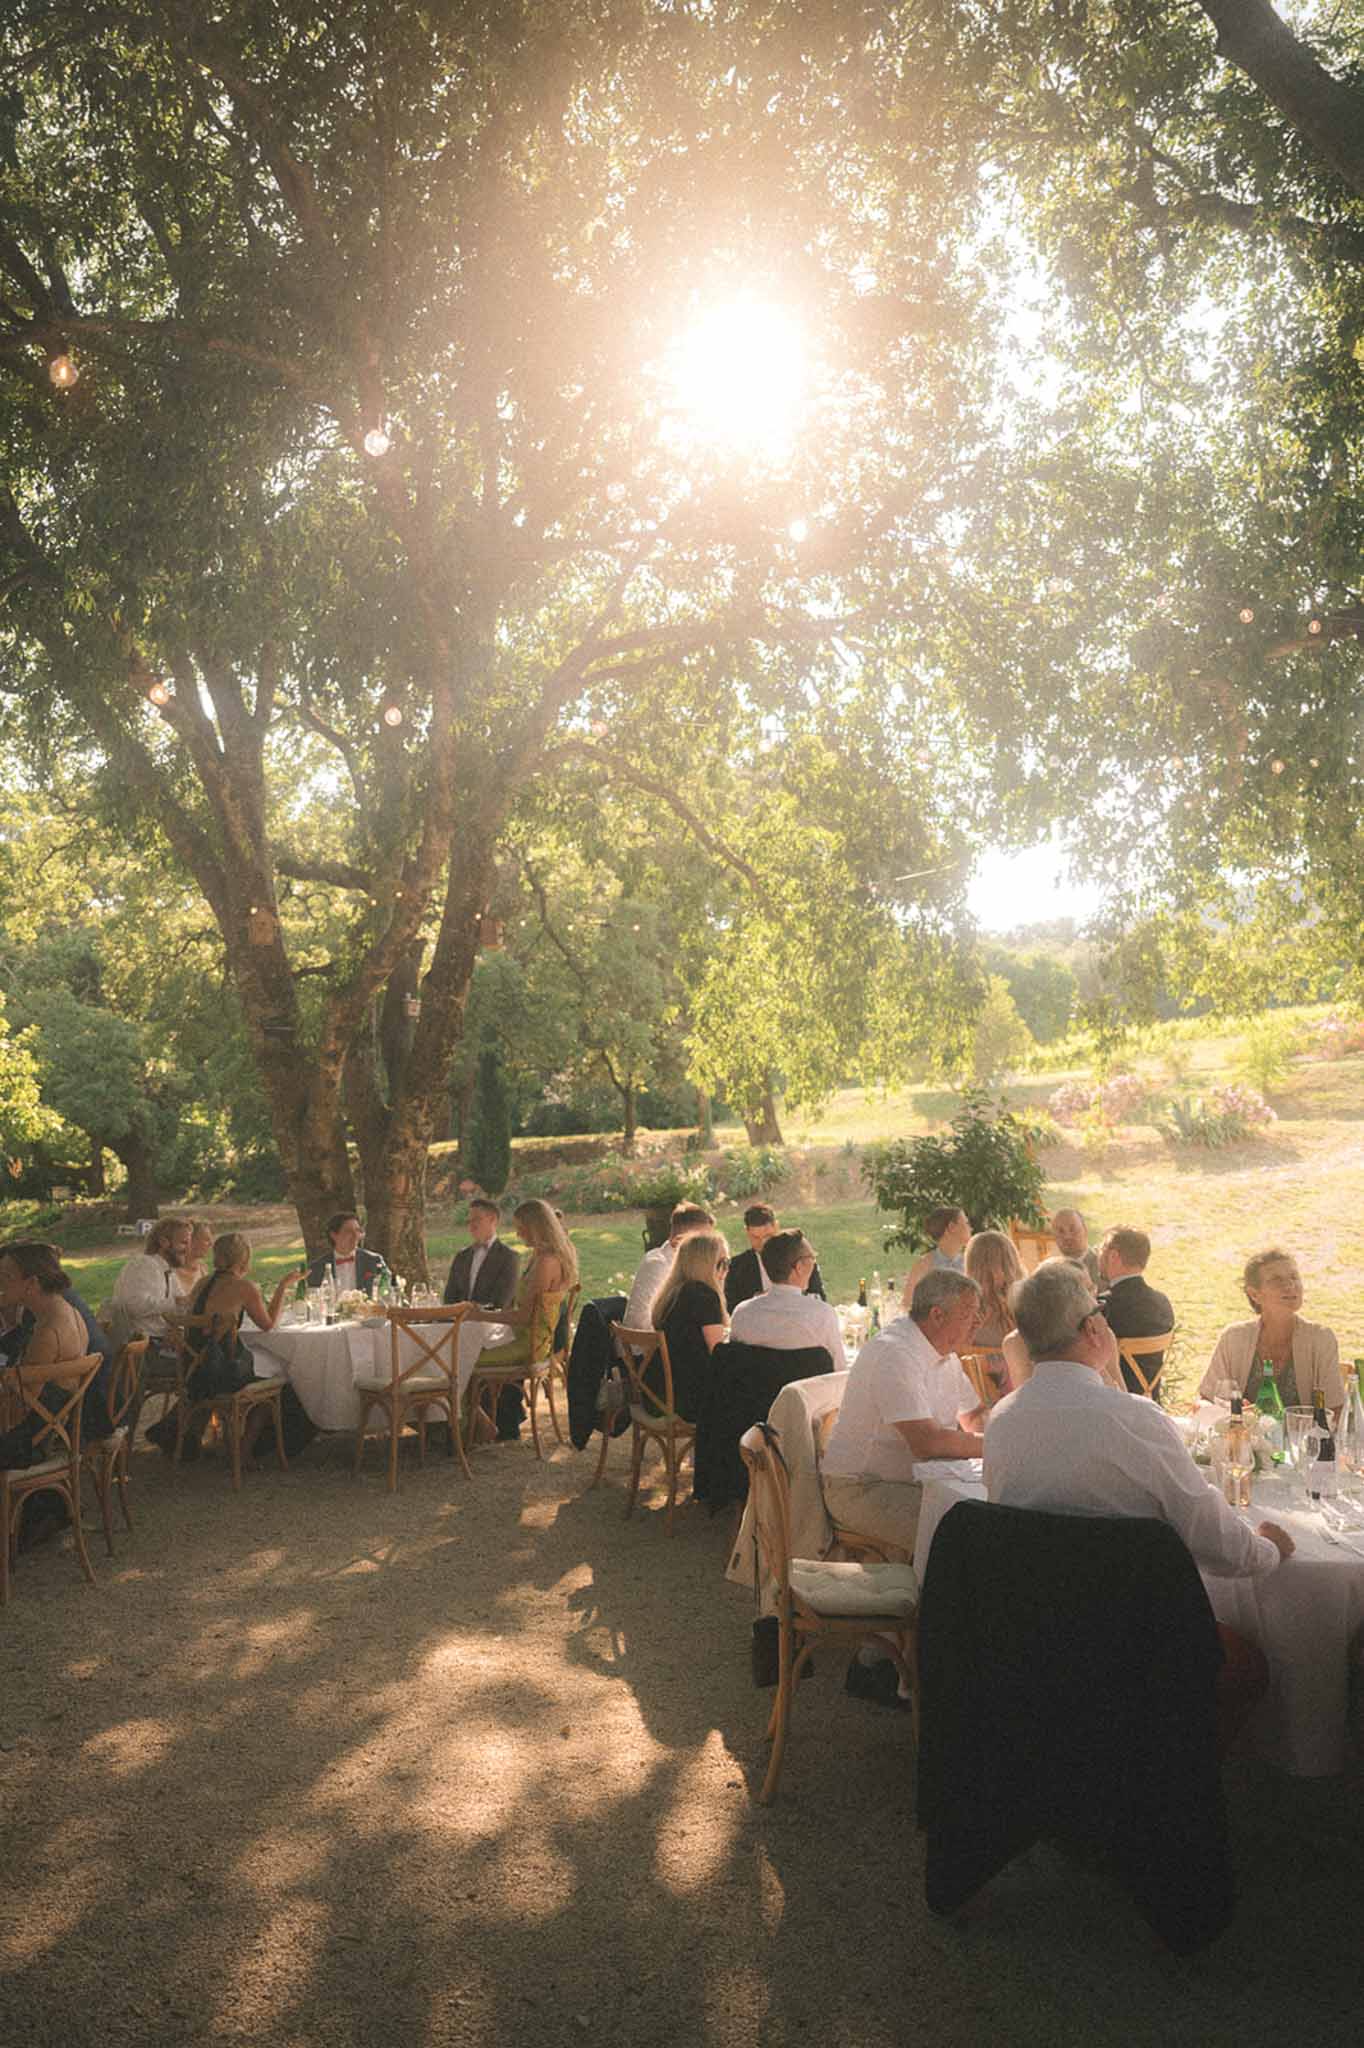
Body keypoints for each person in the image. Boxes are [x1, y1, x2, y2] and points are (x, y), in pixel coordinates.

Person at [985, 1258, 1291, 1749]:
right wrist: (1268, 1547)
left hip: (1034, 1634)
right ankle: (1177, 1782)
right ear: (1092, 1329)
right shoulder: (1134, 1420)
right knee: (1249, 1667)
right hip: (1137, 1638)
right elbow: (1218, 1544)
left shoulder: (1002, 1422)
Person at [821, 1268, 986, 1560]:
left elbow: (974, 1417)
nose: (978, 1321)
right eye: (969, 1313)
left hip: (913, 1480)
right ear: (937, 1315)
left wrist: (1001, 1432)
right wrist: (996, 1444)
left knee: (986, 1513)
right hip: (860, 1489)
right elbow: (928, 1444)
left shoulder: (944, 1354)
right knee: (964, 1531)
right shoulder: (895, 1354)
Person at [463, 1200, 578, 1442]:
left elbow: (524, 1317)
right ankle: (477, 1426)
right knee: (466, 1349)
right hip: (526, 1337)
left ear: (535, 1227)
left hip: (528, 1345)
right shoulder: (543, 1256)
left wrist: (480, 1315)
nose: (517, 1233)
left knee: (461, 1361)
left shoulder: (546, 1262)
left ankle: (478, 1429)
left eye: (521, 1227)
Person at [0, 1243, 107, 1494]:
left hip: (27, 1444)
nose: (0, 1283)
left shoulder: (48, 1332)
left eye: (6, 1277)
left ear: (32, 1283)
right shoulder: (67, 1311)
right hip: (50, 1433)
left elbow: (17, 1414)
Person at [1198, 1248, 1344, 1412]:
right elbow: (1206, 1401)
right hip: (1241, 1436)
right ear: (1254, 1294)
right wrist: (1234, 1412)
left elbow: (1335, 1411)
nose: (1290, 1286)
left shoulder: (1321, 1339)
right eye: (1277, 1280)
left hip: (1301, 1437)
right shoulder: (1233, 1338)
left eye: (1294, 1277)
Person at [648, 1229, 730, 1424]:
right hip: (688, 1400)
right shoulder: (703, 1296)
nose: (726, 1270)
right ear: (705, 1264)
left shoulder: (673, 1293)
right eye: (723, 1263)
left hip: (659, 1393)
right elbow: (719, 1352)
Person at [729, 1231, 845, 1367]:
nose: (814, 1263)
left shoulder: (742, 1314)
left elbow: (734, 1367)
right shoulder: (822, 1315)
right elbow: (839, 1370)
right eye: (812, 1257)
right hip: (803, 1388)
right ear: (799, 1267)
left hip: (755, 1388)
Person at [1098, 1227, 1175, 1397]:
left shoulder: (1103, 1307)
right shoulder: (1163, 1303)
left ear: (1113, 1256)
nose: (1099, 1256)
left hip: (1116, 1402)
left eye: (1101, 1250)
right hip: (1152, 1400)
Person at [622, 1202, 715, 1331]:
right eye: (702, 1242)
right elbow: (643, 1324)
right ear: (680, 1240)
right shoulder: (659, 1265)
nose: (707, 1249)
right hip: (645, 1345)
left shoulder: (678, 1260)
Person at [108, 1215, 193, 1349]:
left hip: (162, 1343)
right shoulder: (143, 1264)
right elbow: (135, 1306)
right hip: (145, 1349)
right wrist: (175, 1302)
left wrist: (180, 1328)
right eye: (184, 1243)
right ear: (164, 1242)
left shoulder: (167, 1270)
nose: (189, 1250)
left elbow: (182, 1306)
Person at [724, 1204, 827, 1313]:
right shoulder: (736, 1267)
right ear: (747, 1232)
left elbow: (819, 1299)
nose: (763, 1243)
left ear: (776, 1227)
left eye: (767, 1236)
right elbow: (732, 1310)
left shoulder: (800, 1258)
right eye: (755, 1238)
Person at [964, 1229, 1025, 1395]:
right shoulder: (1028, 1309)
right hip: (1021, 1397)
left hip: (976, 1399)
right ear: (1012, 1262)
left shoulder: (961, 1317)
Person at [443, 1199, 519, 1312]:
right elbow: (449, 1299)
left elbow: (502, 1302)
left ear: (493, 1219)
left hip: (492, 1326)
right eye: (469, 1221)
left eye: (476, 1219)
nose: (471, 1225)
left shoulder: (508, 1257)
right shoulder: (461, 1257)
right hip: (458, 1323)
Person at [305, 1212, 390, 1298]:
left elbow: (388, 1292)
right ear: (334, 1235)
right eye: (349, 1231)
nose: (355, 1235)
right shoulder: (317, 1267)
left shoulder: (374, 1261)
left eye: (357, 1230)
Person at [904, 1207, 970, 1297]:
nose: (971, 1228)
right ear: (951, 1227)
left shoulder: (971, 1263)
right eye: (966, 1223)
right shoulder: (923, 1266)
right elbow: (908, 1305)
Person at [1051, 1208, 1101, 1288]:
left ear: (1085, 1230)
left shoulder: (1102, 1266)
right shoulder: (1050, 1271)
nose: (1067, 1237)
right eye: (1061, 1231)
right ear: (1054, 1237)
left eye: (1073, 1229)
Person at [173, 1221, 216, 1300]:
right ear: (190, 1240)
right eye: (206, 1240)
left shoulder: (203, 1268)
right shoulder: (170, 1270)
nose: (211, 1244)